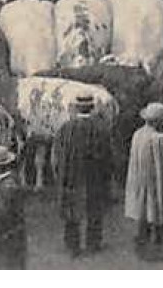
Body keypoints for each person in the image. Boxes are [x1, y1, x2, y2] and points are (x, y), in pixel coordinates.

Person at [53, 91, 113, 256]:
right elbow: (108, 155)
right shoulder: (101, 128)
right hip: (94, 176)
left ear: (76, 107)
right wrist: (107, 175)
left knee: (71, 209)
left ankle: (73, 245)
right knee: (94, 209)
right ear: (92, 107)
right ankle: (93, 243)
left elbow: (57, 155)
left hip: (71, 176)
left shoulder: (65, 128)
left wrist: (59, 174)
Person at [125, 102, 163, 260]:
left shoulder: (137, 134)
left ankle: (141, 247)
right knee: (159, 214)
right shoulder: (158, 138)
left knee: (143, 213)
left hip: (140, 180)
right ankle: (158, 249)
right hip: (156, 181)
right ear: (158, 121)